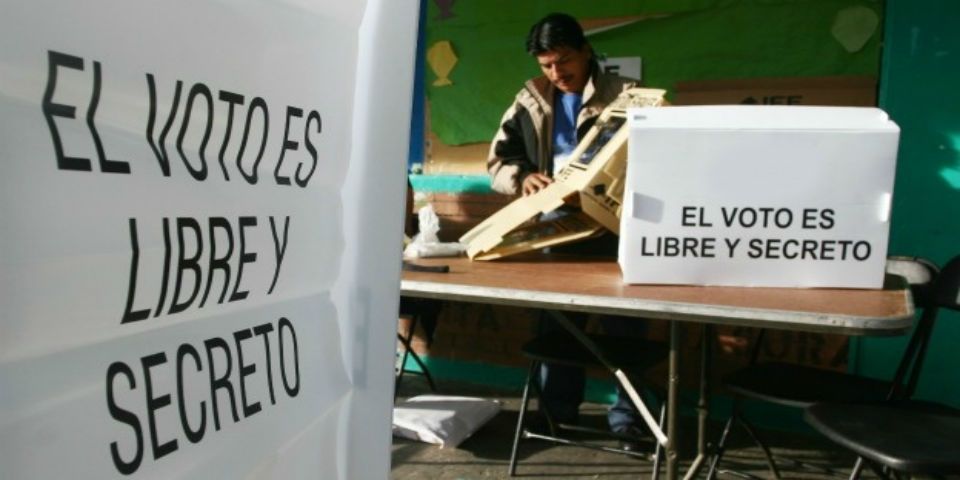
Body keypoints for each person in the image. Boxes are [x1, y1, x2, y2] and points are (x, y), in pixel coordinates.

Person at [486, 12, 649, 447]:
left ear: (586, 51)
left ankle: (630, 422)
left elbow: (654, 162)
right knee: (558, 332)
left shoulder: (627, 96)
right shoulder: (530, 100)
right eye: (546, 66)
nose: (557, 74)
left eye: (564, 61)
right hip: (555, 234)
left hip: (617, 234)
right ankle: (556, 416)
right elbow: (498, 161)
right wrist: (523, 179)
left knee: (627, 335)